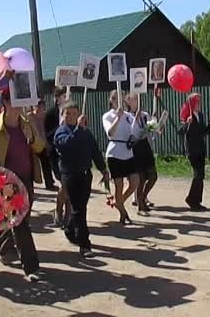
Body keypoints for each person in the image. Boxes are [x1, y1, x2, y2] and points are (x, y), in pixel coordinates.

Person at [0, 89, 44, 282]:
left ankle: (2, 245)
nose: (19, 105)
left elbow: (40, 147)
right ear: (5, 103)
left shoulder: (26, 123)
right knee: (21, 222)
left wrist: (31, 136)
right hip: (6, 182)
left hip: (26, 179)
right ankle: (31, 267)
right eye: (15, 100)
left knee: (18, 220)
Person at [54, 100, 109, 257]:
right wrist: (77, 129)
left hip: (85, 175)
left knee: (80, 208)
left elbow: (95, 152)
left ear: (79, 114)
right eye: (68, 114)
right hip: (70, 175)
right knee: (79, 209)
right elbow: (66, 145)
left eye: (74, 113)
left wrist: (103, 169)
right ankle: (84, 244)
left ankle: (70, 230)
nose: (71, 116)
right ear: (63, 116)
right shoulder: (61, 132)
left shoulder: (86, 132)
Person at [102, 90, 141, 225]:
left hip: (128, 152)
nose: (116, 100)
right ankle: (123, 213)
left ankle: (119, 203)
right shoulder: (108, 116)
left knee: (135, 181)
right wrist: (117, 118)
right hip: (114, 152)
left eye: (119, 98)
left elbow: (135, 131)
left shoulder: (129, 116)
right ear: (111, 100)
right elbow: (110, 133)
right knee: (119, 185)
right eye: (114, 98)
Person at [179, 93, 210, 211]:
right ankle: (192, 200)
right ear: (193, 103)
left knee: (201, 175)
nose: (200, 104)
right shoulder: (187, 115)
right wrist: (187, 123)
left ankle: (196, 201)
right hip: (192, 149)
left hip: (201, 148)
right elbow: (180, 131)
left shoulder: (200, 115)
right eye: (197, 101)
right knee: (197, 174)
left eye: (200, 101)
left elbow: (202, 132)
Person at [126, 94, 157, 215]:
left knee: (153, 176)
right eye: (133, 99)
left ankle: (143, 197)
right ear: (128, 101)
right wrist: (135, 119)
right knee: (141, 178)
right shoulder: (127, 116)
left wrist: (156, 125)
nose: (136, 101)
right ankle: (140, 205)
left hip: (146, 147)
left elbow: (152, 129)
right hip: (135, 148)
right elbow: (130, 133)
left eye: (137, 99)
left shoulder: (144, 115)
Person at [44, 87, 68, 226]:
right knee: (65, 184)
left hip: (69, 154)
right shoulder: (51, 114)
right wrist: (60, 127)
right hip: (55, 154)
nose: (66, 98)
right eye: (63, 96)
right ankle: (59, 210)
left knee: (69, 185)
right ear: (57, 98)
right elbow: (48, 136)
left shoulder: (72, 112)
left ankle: (69, 216)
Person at [32, 100, 56, 191]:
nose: (39, 109)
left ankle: (49, 183)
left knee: (46, 164)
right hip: (33, 144)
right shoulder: (30, 116)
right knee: (31, 165)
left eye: (41, 107)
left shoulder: (46, 116)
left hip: (43, 144)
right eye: (37, 107)